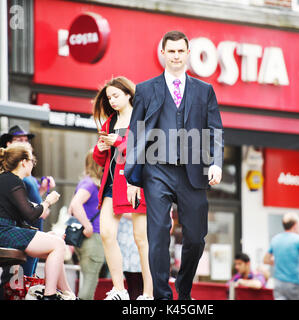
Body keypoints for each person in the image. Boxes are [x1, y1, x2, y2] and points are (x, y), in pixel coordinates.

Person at [124, 30, 224, 300]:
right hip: (157, 170)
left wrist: (215, 162)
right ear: (163, 53)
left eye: (181, 51)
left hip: (193, 172)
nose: (176, 56)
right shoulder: (146, 89)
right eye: (172, 51)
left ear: (188, 53)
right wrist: (131, 179)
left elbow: (215, 129)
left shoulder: (205, 91)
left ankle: (184, 287)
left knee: (195, 237)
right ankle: (161, 297)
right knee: (157, 235)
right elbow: (136, 132)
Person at [0, 143, 76, 300]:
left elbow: (22, 216)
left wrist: (44, 234)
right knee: (57, 244)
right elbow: (31, 213)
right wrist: (48, 201)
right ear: (23, 162)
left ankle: (68, 294)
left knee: (56, 242)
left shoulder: (8, 180)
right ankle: (50, 295)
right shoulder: (12, 181)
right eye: (32, 160)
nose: (33, 163)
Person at [93, 76, 153, 300]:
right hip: (111, 184)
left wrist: (117, 142)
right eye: (109, 97)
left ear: (128, 94)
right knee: (107, 233)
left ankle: (148, 293)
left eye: (116, 96)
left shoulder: (143, 119)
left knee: (141, 240)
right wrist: (100, 148)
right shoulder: (109, 121)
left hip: (136, 183)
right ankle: (119, 289)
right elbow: (101, 160)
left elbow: (143, 151)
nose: (112, 101)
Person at [68, 149, 105, 300]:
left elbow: (72, 208)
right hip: (92, 237)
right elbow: (75, 205)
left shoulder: (86, 182)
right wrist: (88, 225)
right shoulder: (90, 184)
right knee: (90, 281)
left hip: (85, 239)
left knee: (88, 279)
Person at [263, 212, 299, 300]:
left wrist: (280, 261)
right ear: (295, 225)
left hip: (278, 284)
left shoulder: (275, 239)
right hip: (294, 284)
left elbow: (266, 260)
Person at [117, 214, 144, 300]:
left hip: (139, 240)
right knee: (134, 284)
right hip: (128, 242)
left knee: (140, 286)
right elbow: (122, 211)